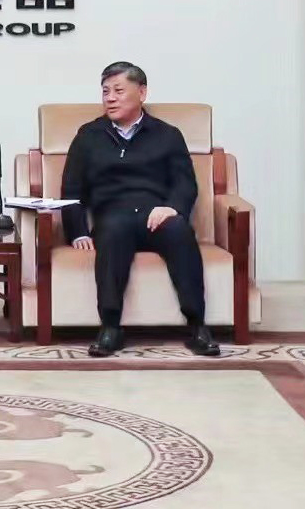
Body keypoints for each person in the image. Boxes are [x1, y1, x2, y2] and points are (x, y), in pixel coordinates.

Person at [59, 61, 220, 358]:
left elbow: (185, 183)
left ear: (142, 93)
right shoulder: (89, 135)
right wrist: (78, 231)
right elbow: (71, 189)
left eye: (118, 91)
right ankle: (110, 327)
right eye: (105, 91)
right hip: (113, 215)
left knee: (179, 231)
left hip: (156, 214)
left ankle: (198, 326)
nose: (110, 98)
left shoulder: (167, 135)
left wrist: (172, 208)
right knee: (113, 230)